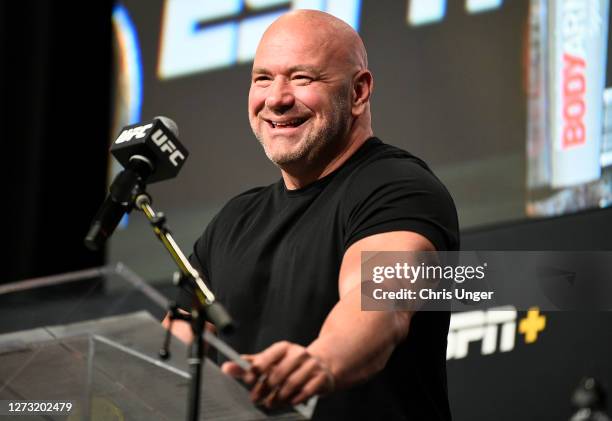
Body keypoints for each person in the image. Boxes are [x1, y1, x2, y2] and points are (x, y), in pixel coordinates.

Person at [167, 9, 459, 420]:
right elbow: (171, 354)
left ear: (358, 92)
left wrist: (320, 360)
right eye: (263, 79)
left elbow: (380, 301)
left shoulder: (399, 188)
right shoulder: (233, 221)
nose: (276, 98)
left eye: (302, 78)